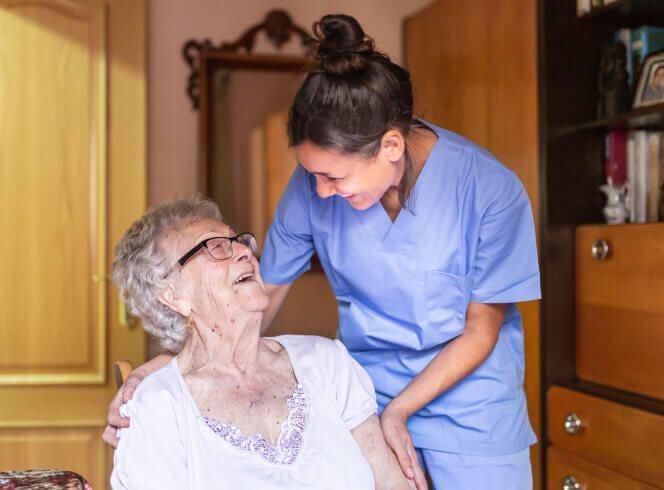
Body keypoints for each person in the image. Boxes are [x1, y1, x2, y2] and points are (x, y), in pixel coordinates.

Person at [106, 14, 541, 489]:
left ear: (391, 146)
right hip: (365, 395)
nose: (320, 190)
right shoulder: (311, 189)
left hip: (471, 411)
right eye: (311, 174)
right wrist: (165, 368)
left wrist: (400, 410)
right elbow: (256, 298)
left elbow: (481, 332)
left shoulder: (490, 190)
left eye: (334, 177)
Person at [108, 195, 414, 489]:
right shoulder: (159, 407)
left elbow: (390, 483)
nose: (244, 252)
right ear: (174, 295)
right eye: (215, 247)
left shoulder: (326, 361)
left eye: (239, 241)